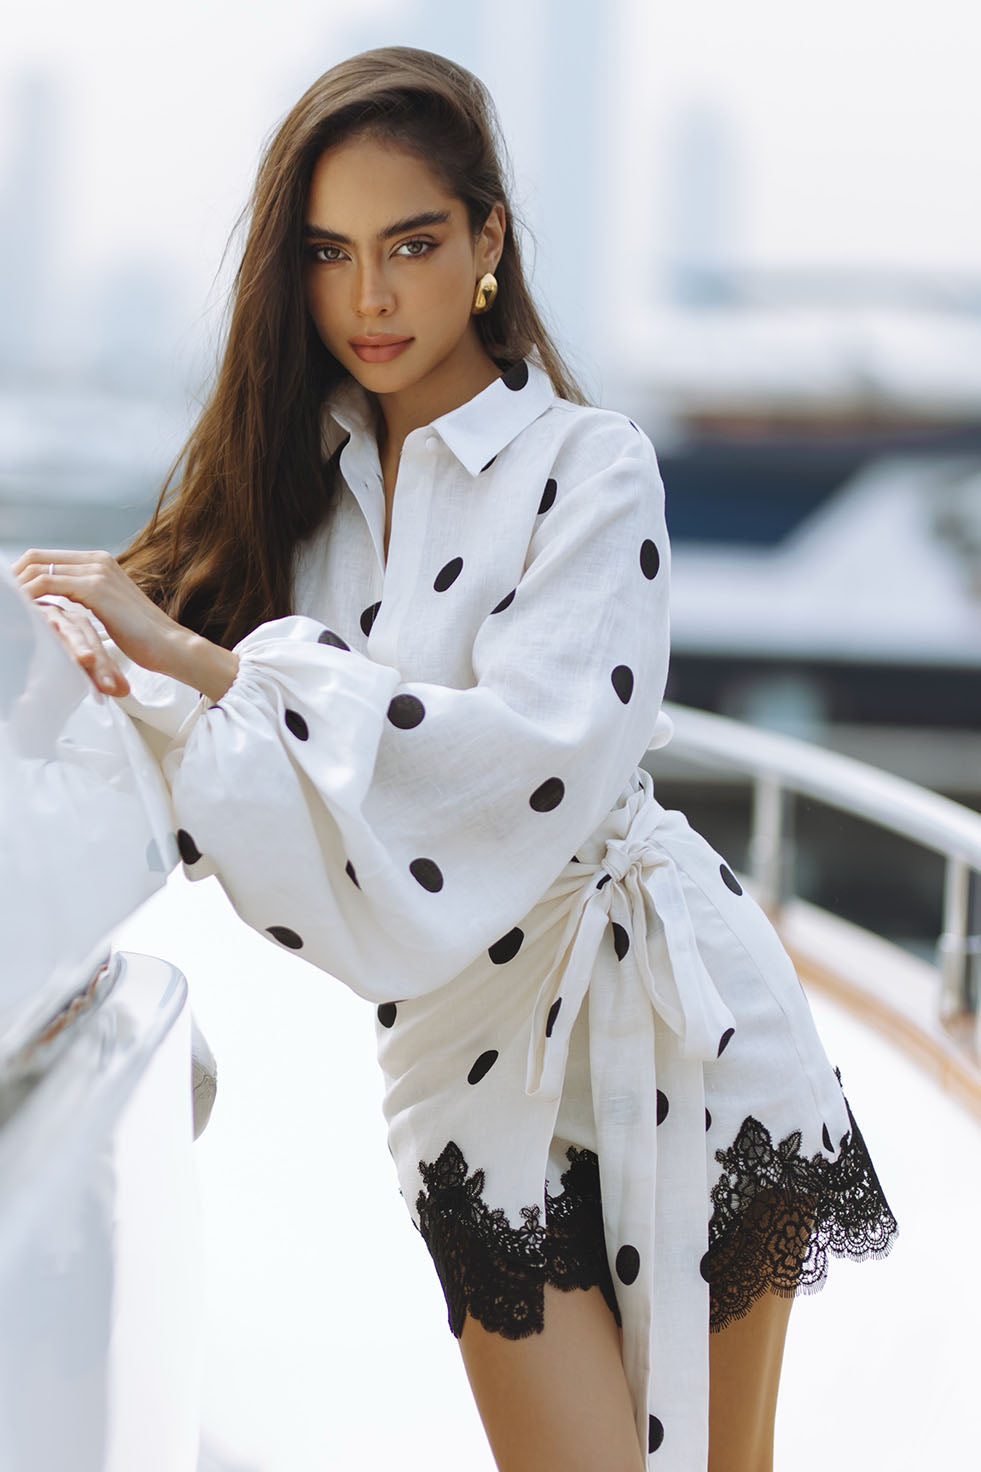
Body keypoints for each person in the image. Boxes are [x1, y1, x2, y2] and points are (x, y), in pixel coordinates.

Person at [13, 45, 898, 1472]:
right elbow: (188, 742)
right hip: (463, 1061)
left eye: (411, 245)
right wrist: (103, 649)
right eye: (330, 253)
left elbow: (522, 760)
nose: (369, 296)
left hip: (682, 1014)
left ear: (488, 242)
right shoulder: (284, 497)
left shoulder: (593, 465)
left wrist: (209, 666)